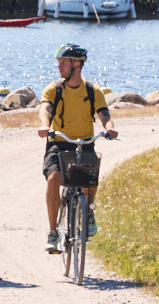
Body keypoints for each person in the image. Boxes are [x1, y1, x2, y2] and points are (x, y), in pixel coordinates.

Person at [35, 41, 117, 250]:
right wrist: (44, 124)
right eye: (59, 62)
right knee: (54, 179)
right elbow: (45, 108)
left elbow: (104, 115)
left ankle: (88, 213)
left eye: (64, 62)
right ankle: (53, 232)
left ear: (77, 65)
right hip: (59, 143)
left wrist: (110, 128)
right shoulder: (54, 89)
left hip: (84, 143)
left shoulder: (92, 90)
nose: (59, 66)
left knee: (90, 180)